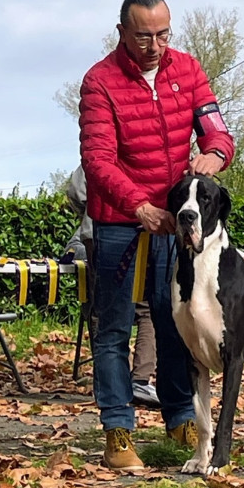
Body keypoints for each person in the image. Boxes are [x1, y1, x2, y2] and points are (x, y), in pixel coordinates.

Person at [79, 0, 235, 470]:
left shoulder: (187, 70)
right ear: (122, 31)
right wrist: (138, 206)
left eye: (163, 34)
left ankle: (180, 417)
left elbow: (219, 131)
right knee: (113, 329)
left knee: (175, 323)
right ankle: (119, 431)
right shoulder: (98, 82)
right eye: (144, 36)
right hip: (118, 225)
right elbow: (98, 161)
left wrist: (215, 155)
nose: (155, 45)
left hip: (176, 223)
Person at [62, 166, 159, 410]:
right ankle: (140, 379)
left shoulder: (97, 156)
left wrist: (89, 212)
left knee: (104, 310)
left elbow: (76, 192)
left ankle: (110, 382)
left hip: (98, 231)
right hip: (145, 230)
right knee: (146, 307)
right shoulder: (151, 152)